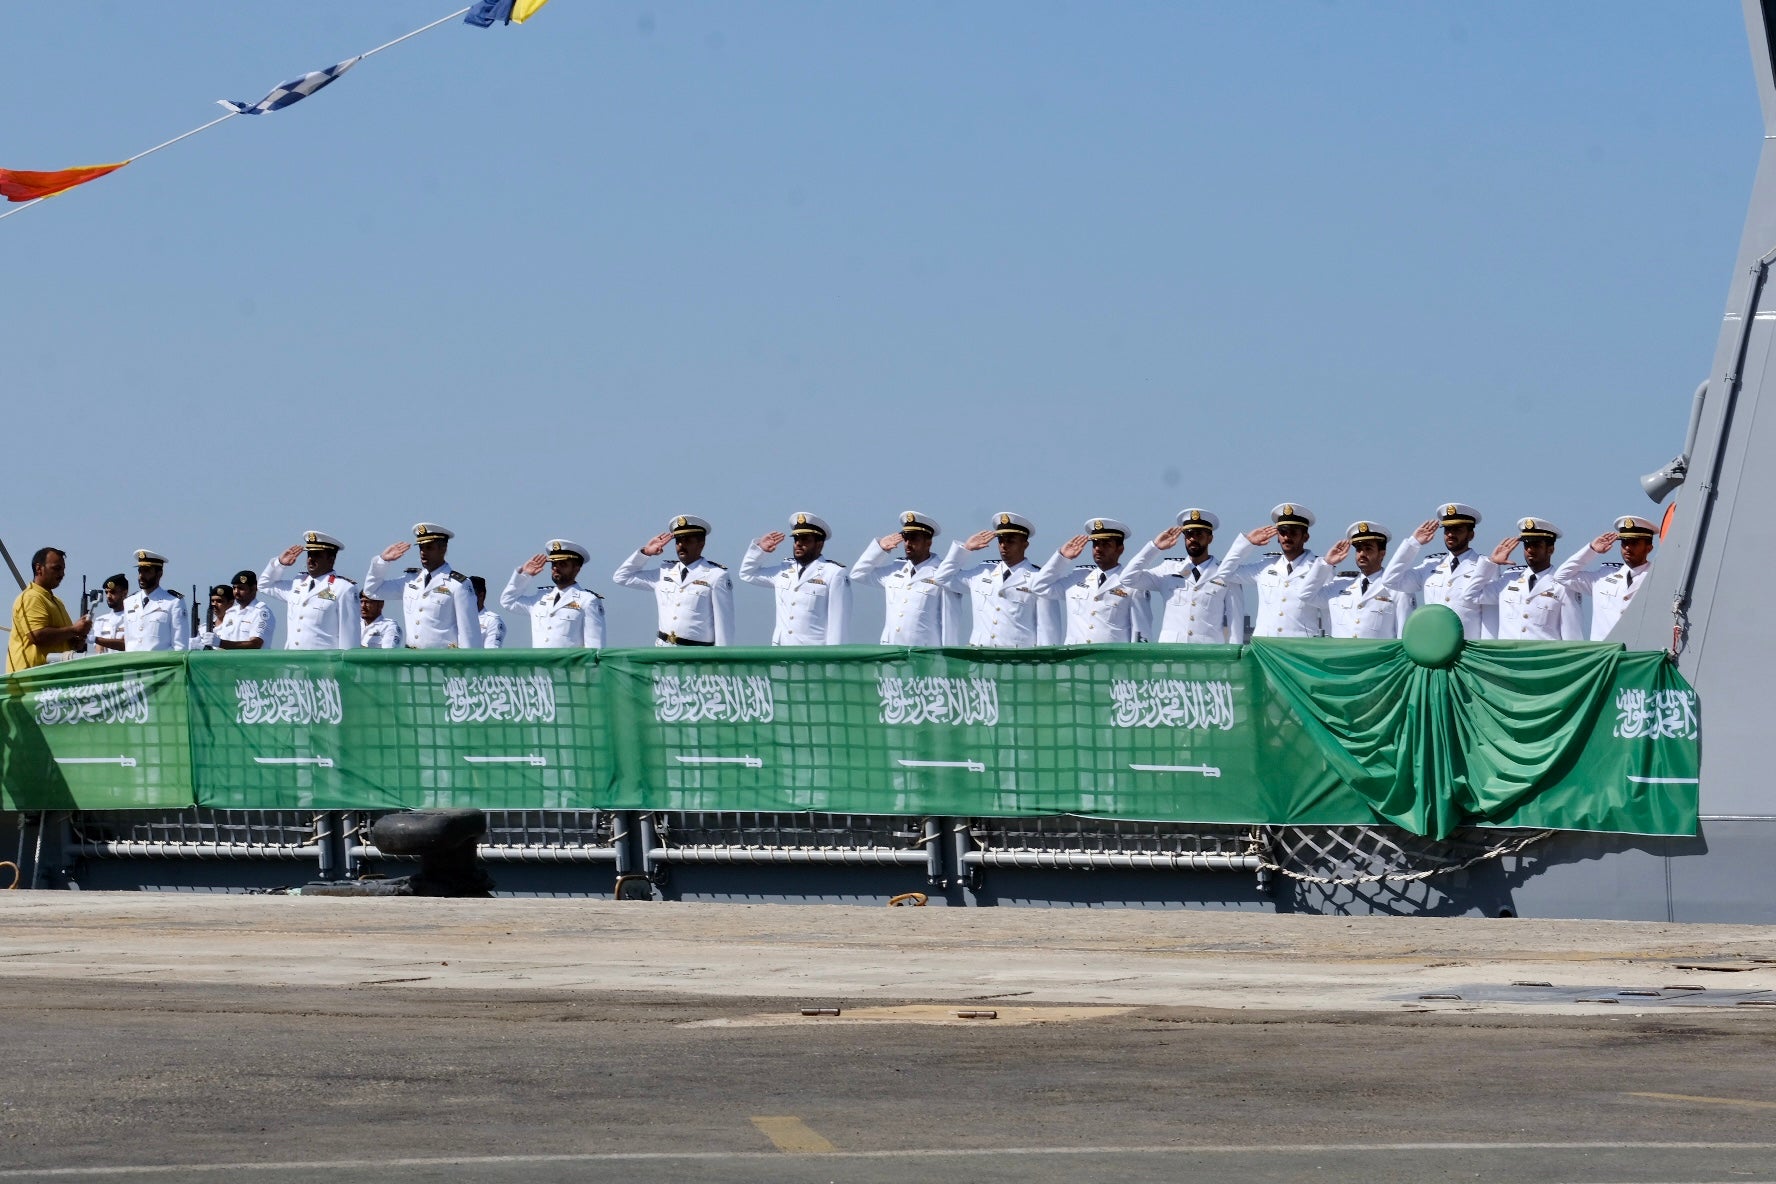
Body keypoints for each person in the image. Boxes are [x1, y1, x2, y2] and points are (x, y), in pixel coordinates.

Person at [932, 512, 1064, 647]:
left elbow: (1048, 630)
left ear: (1025, 544)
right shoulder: (983, 572)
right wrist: (965, 549)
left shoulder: (1039, 579)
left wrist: (1043, 663)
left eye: (1010, 541)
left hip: (1017, 662)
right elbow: (941, 578)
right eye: (1000, 540)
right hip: (980, 660)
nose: (1004, 545)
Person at [1119, 508, 1246, 644]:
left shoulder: (1224, 574)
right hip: (1171, 656)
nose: (1192, 539)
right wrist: (1154, 548)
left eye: (1199, 534)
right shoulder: (1169, 570)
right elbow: (1127, 578)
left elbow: (1235, 620)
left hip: (1208, 656)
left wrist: (1234, 656)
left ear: (1210, 538)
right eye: (1188, 534)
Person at [1213, 504, 1339, 637]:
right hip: (1266, 647)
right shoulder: (1266, 567)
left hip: (1301, 648)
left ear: (1305, 537)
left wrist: (1328, 644)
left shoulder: (1320, 568)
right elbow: (1225, 572)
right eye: (1283, 532)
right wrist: (1247, 543)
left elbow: (1328, 611)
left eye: (1293, 532)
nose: (1287, 537)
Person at [613, 515, 735, 647]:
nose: (681, 545)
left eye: (687, 540)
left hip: (696, 654)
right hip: (662, 652)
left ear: (701, 544)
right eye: (678, 541)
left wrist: (721, 662)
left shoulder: (716, 575)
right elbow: (621, 577)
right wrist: (646, 552)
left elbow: (724, 624)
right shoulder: (664, 572)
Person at [1033, 518, 1158, 644]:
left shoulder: (1133, 585)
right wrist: (1062, 557)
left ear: (1120, 549)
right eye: (1095, 544)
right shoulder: (1077, 578)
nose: (1098, 548)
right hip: (1075, 659)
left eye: (1106, 544)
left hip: (1112, 661)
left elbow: (1141, 632)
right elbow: (1039, 587)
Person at [848, 510, 962, 646]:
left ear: (928, 542)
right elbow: (858, 574)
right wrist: (880, 548)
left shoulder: (943, 573)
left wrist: (946, 657)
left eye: (914, 538)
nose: (908, 543)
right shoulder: (895, 570)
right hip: (891, 653)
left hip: (923, 655)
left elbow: (950, 620)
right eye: (905, 538)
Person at [1461, 517, 1584, 641]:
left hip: (1542, 658)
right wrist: (1491, 563)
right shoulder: (1508, 580)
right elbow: (1470, 595)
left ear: (1550, 550)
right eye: (1526, 545)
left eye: (1536, 545)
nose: (1530, 550)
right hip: (1509, 658)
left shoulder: (1563, 586)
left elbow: (1572, 637)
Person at [739, 513, 852, 645]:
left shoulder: (834, 573)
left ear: (819, 545)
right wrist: (760, 550)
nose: (798, 544)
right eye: (796, 539)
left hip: (814, 656)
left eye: (805, 539)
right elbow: (747, 574)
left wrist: (833, 660)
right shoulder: (784, 570)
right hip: (782, 653)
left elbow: (838, 622)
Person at [365, 523, 482, 649]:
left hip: (443, 663)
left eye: (429, 547)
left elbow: (469, 634)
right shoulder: (411, 580)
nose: (423, 552)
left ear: (443, 548)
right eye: (421, 547)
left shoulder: (458, 585)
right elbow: (372, 591)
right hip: (412, 663)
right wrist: (383, 561)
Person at [1388, 503, 1494, 639]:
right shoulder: (1431, 565)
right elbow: (1391, 580)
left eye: (1457, 530)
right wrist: (1413, 543)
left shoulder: (1484, 566)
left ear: (1471, 535)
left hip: (1467, 651)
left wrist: (1484, 652)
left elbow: (1489, 619)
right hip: (1433, 647)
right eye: (1447, 529)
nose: (1450, 534)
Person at [1552, 515, 1656, 641]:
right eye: (1624, 542)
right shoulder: (1603, 577)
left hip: (1639, 654)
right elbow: (1562, 576)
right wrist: (1591, 550)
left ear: (1649, 548)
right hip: (1603, 654)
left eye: (1634, 543)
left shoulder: (1656, 577)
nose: (1628, 548)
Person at [260, 531, 362, 650]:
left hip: (323, 665)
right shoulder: (298, 583)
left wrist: (344, 666)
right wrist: (280, 563)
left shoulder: (343, 588)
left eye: (317, 555)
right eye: (309, 554)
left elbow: (349, 636)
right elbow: (264, 585)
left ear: (331, 560)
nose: (310, 559)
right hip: (294, 664)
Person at [501, 539, 606, 648]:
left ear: (576, 569)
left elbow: (595, 646)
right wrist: (524, 575)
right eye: (554, 563)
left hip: (568, 665)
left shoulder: (588, 600)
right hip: (539, 664)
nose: (556, 568)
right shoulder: (540, 597)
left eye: (562, 564)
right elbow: (508, 602)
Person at [1322, 521, 1416, 639]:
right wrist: (1326, 563)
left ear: (1382, 554)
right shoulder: (1340, 585)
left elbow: (1404, 635)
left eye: (1368, 549)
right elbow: (1306, 594)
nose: (1362, 554)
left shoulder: (1398, 588)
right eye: (1359, 549)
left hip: (1379, 657)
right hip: (1341, 656)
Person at [6, 547, 91, 672]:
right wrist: (74, 629)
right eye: (56, 568)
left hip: (51, 681)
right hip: (31, 682)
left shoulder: (57, 602)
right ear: (39, 568)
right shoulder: (31, 597)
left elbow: (60, 636)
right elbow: (37, 636)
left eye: (63, 569)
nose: (62, 574)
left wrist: (74, 641)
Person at [123, 549, 190, 652]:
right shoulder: (129, 602)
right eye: (140, 571)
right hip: (133, 666)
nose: (141, 576)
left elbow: (180, 647)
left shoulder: (173, 602)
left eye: (147, 571)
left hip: (160, 666)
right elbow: (128, 643)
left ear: (159, 574)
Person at [212, 571, 274, 651]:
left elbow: (255, 644)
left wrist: (220, 643)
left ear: (253, 589)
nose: (236, 592)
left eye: (241, 588)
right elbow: (223, 646)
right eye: (234, 588)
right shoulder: (231, 613)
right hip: (230, 662)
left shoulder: (261, 612)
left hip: (252, 662)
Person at [89, 574, 129, 654]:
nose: (108, 596)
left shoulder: (133, 617)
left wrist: (94, 639)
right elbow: (99, 651)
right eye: (106, 592)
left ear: (124, 593)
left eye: (112, 592)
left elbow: (126, 644)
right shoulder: (101, 621)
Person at [471, 576, 506, 649]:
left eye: (469, 595)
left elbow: (490, 654)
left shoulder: (492, 621)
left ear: (481, 595)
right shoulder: (455, 617)